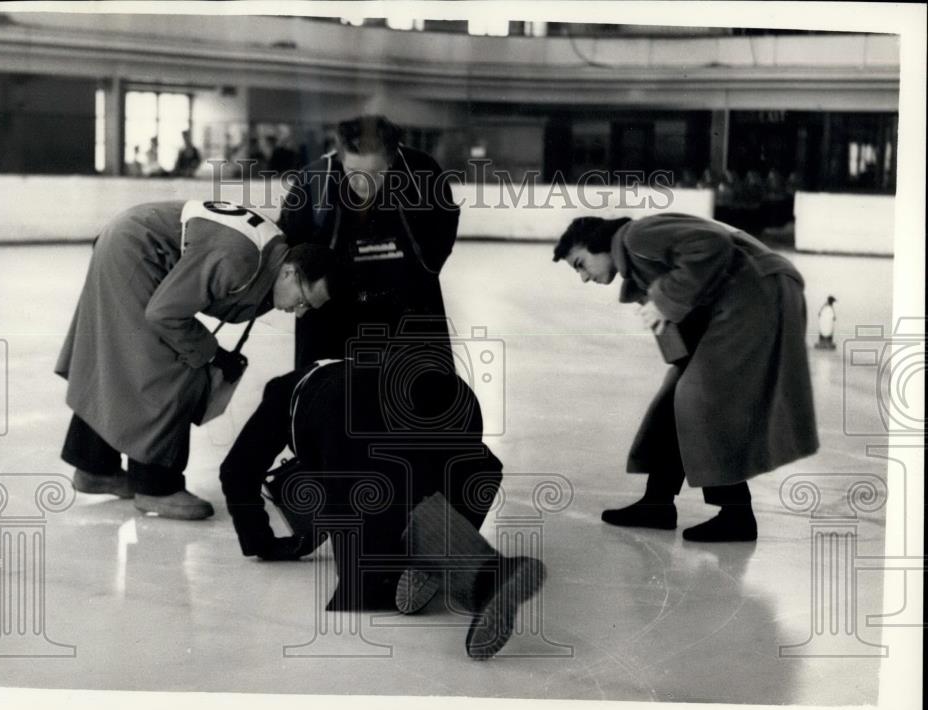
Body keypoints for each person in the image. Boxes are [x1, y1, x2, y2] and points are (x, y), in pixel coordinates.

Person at [219, 359, 544, 659]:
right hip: (450, 396)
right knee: (456, 477)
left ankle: (485, 577)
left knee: (367, 579)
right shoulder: (345, 366)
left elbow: (236, 471)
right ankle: (421, 560)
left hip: (353, 409)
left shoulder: (282, 394)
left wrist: (263, 543)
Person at [55, 200, 337, 520]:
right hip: (135, 251)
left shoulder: (272, 253)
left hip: (131, 239)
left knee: (120, 358)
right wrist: (210, 352)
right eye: (303, 299)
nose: (299, 312)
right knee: (173, 367)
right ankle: (157, 487)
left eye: (309, 308)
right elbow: (166, 314)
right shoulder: (240, 260)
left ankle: (95, 466)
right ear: (290, 271)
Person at [553, 213, 819, 542]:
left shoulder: (638, 236)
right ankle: (657, 503)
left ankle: (737, 514)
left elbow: (712, 243)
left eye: (580, 264)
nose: (582, 277)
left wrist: (663, 301)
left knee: (700, 396)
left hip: (759, 289)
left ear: (598, 244)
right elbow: (686, 315)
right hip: (745, 295)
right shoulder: (637, 267)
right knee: (676, 394)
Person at [277, 114, 460, 371]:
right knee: (330, 405)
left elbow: (442, 233)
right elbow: (290, 249)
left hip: (406, 314)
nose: (363, 183)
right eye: (353, 172)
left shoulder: (423, 174)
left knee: (417, 401)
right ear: (341, 158)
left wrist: (414, 281)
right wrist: (306, 293)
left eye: (376, 172)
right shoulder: (313, 180)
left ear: (392, 159)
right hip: (331, 319)